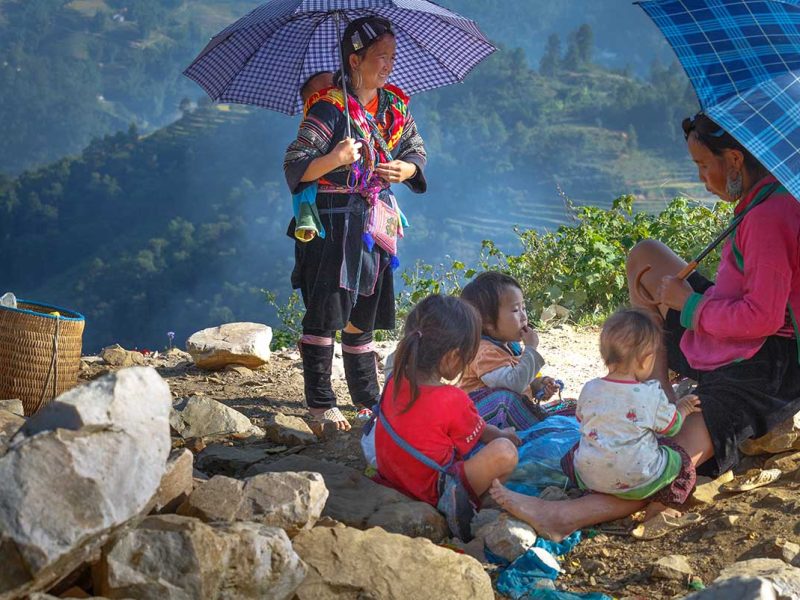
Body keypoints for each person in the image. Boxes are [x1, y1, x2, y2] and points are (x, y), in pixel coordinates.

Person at [490, 112, 800, 541]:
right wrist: (685, 299)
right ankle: (657, 398)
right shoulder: (758, 203)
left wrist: (688, 306)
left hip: (762, 365)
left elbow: (763, 317)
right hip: (721, 327)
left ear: (733, 160)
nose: (701, 176)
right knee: (645, 257)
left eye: (703, 165)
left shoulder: (770, 217)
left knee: (667, 460)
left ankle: (568, 516)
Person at [284, 16, 427, 431]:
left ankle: (366, 399)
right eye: (381, 57)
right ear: (354, 59)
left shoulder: (394, 107)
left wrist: (406, 168)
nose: (388, 65)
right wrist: (334, 159)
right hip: (332, 224)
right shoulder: (328, 108)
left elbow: (416, 149)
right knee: (327, 309)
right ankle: (320, 404)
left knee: (363, 311)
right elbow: (294, 165)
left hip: (375, 221)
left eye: (392, 57)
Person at [375, 294, 520, 524]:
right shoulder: (451, 398)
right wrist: (504, 436)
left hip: (393, 476)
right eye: (468, 356)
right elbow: (481, 432)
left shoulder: (395, 380)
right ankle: (468, 506)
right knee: (505, 452)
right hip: (431, 491)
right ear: (453, 357)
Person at [566, 308, 701, 520]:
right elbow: (671, 427)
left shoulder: (590, 388)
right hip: (638, 479)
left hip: (590, 477)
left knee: (575, 450)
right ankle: (661, 504)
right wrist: (683, 408)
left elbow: (581, 419)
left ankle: (590, 490)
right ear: (646, 359)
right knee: (682, 461)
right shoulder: (650, 393)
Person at [459, 272, 560, 430]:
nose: (523, 317)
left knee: (571, 407)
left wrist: (538, 385)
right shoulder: (483, 352)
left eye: (523, 308)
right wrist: (531, 349)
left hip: (508, 421)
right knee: (505, 397)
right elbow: (512, 386)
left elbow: (518, 383)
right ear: (488, 322)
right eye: (515, 310)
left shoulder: (510, 346)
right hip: (482, 426)